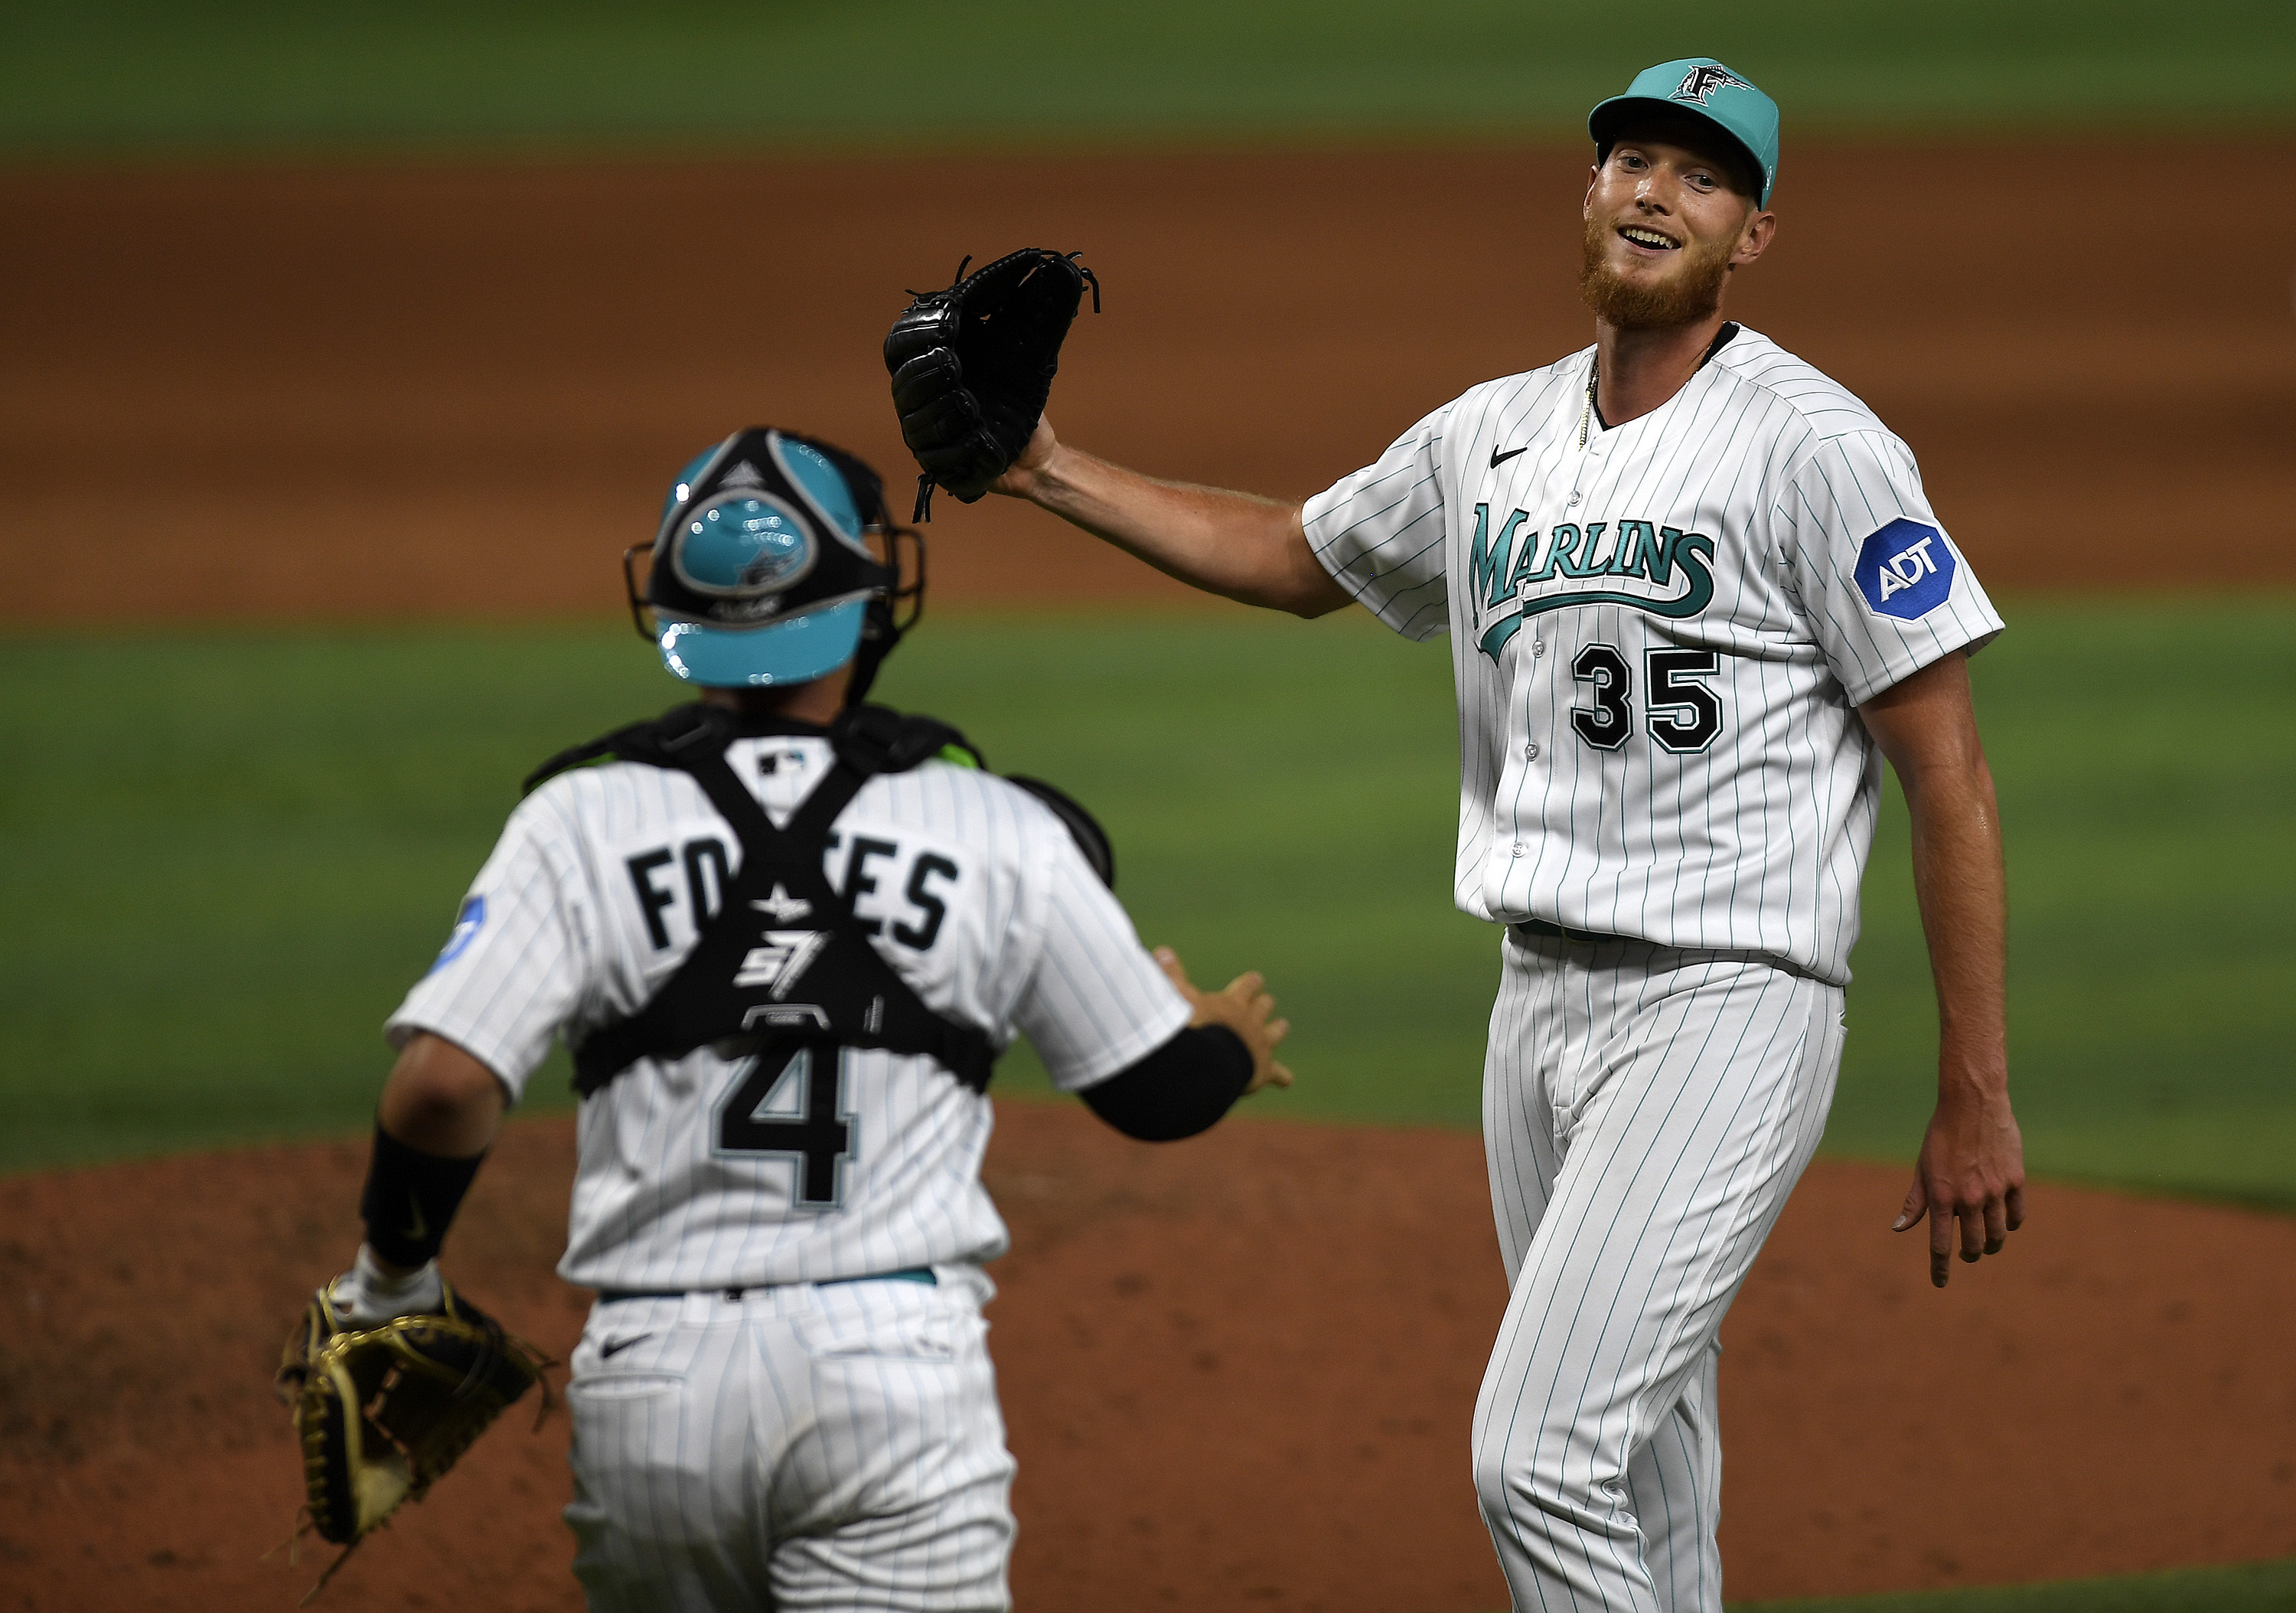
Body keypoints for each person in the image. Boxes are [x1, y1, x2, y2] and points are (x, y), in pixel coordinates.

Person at [941, 58, 2024, 1612]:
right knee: (1641, 1462)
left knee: (1541, 1455)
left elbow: (1949, 773)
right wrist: (1040, 467)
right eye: (1633, 160)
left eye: (1701, 177)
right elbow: (1295, 553)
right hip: (1536, 1006)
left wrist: (1976, 1088)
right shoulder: (1489, 436)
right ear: (1587, 197)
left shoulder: (1820, 449)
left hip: (1727, 1000)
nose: (1656, 190)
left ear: (1753, 236)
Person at [310, 425, 1293, 1611]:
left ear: (674, 608)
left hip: (652, 1388)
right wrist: (1226, 1041)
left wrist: (391, 1290)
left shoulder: (578, 819)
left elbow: (441, 1086)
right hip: (889, 1376)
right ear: (870, 601)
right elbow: (1156, 1095)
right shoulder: (991, 825)